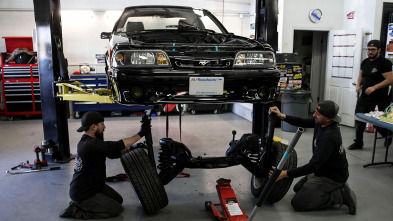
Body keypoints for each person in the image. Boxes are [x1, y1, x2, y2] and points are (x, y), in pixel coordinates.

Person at [269, 100, 357, 215]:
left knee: (298, 203)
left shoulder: (329, 137)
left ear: (328, 119)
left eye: (318, 114)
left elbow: (313, 166)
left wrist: (284, 173)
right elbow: (303, 121)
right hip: (322, 170)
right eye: (315, 111)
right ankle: (328, 188)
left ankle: (339, 194)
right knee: (298, 188)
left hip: (332, 177)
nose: (314, 115)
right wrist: (282, 116)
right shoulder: (321, 122)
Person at [59, 111, 150, 219]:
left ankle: (82, 205)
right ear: (93, 127)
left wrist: (132, 148)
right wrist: (140, 134)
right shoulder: (89, 144)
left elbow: (112, 153)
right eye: (102, 124)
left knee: (119, 201)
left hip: (96, 187)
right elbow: (116, 146)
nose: (104, 127)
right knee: (115, 209)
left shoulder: (92, 142)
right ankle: (76, 210)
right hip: (84, 193)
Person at [348, 39, 393, 150]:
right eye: (368, 49)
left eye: (373, 50)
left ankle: (387, 135)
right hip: (364, 98)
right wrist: (358, 85)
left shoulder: (384, 63)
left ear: (379, 50)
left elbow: (390, 79)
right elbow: (361, 76)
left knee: (377, 122)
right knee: (359, 118)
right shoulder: (365, 62)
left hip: (379, 99)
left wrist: (374, 87)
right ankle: (358, 142)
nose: (370, 52)